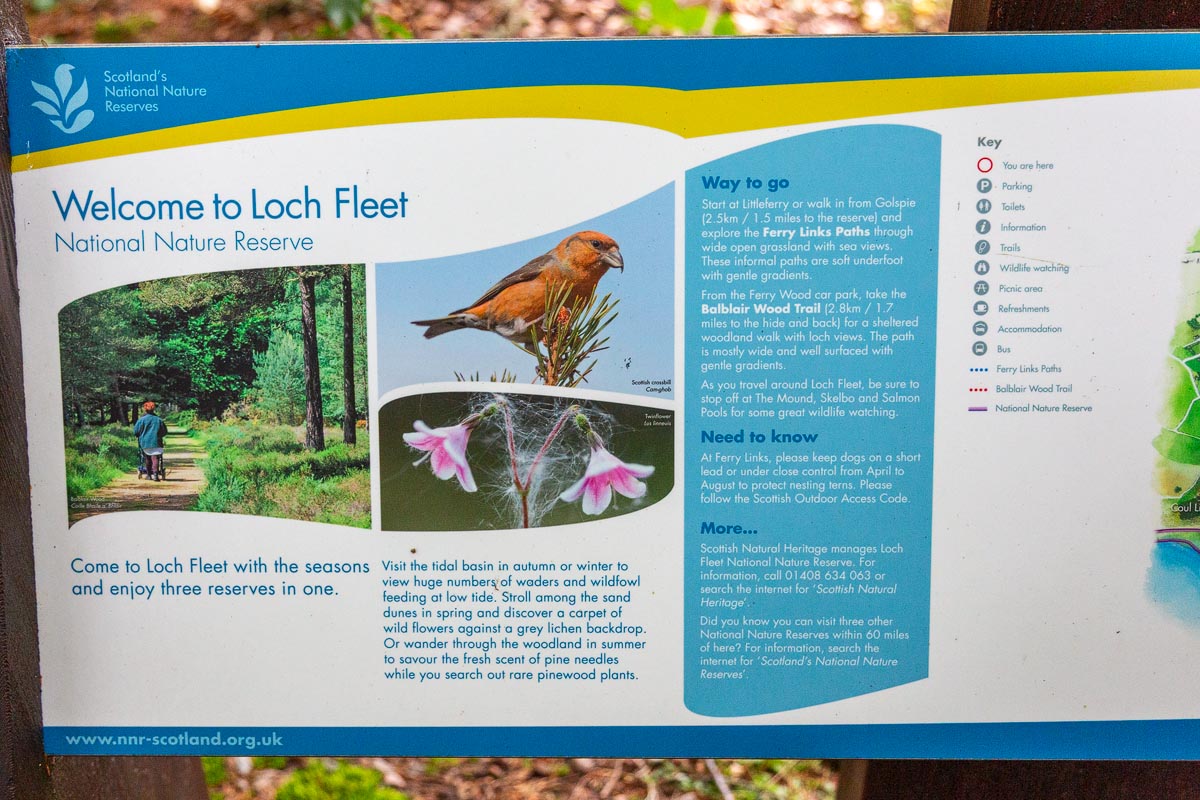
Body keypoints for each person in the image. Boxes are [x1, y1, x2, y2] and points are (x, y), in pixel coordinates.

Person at [134, 401, 169, 481]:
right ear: (154, 409)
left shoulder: (141, 420)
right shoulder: (159, 420)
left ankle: (149, 475)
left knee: (147, 458)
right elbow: (164, 431)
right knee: (156, 458)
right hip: (156, 442)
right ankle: (156, 475)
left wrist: (140, 436)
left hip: (145, 443)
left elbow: (136, 432)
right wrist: (159, 436)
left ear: (145, 409)